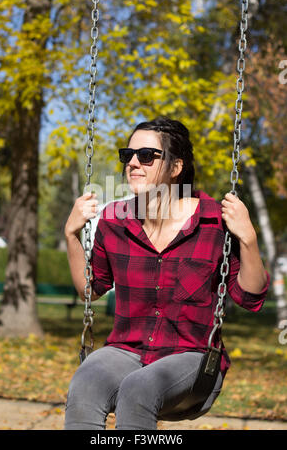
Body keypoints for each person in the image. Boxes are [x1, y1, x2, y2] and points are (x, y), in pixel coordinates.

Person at [64, 116, 270, 430]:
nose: (133, 163)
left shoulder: (216, 219)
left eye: (146, 156)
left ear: (176, 168)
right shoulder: (113, 220)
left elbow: (250, 297)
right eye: (127, 155)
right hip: (127, 348)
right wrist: (71, 236)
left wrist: (249, 238)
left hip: (192, 356)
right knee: (86, 381)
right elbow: (89, 291)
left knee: (139, 388)